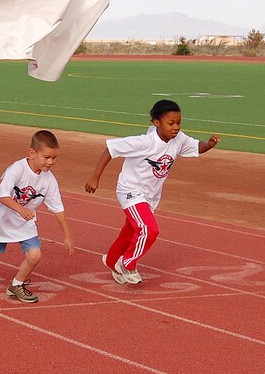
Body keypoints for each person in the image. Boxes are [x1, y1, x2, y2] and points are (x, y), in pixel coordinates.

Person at [85, 100, 220, 284]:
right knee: (149, 230)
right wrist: (95, 177)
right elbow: (110, 150)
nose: (176, 127)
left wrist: (209, 144)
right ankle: (128, 264)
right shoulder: (144, 142)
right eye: (170, 123)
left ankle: (111, 260)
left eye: (179, 123)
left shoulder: (178, 139)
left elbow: (196, 147)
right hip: (130, 190)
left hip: (150, 195)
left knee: (130, 231)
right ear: (156, 123)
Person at [0, 130, 74, 303]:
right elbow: (2, 194)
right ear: (32, 153)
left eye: (54, 158)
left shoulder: (49, 180)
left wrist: (68, 235)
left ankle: (16, 285)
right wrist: (20, 209)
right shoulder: (17, 169)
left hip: (24, 222)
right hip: (1, 219)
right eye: (46, 157)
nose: (51, 162)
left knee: (34, 256)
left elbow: (58, 208)